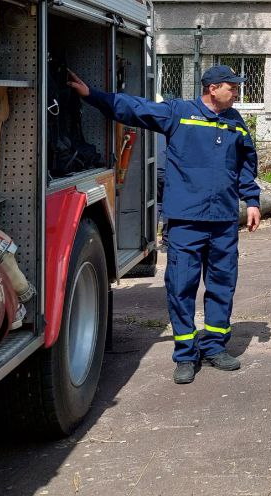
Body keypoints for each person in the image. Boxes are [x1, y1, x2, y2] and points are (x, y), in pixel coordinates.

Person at [70, 65, 260, 385]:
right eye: (232, 85)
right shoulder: (180, 113)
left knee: (222, 285)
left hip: (224, 221)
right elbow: (134, 108)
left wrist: (252, 200)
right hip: (187, 220)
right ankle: (186, 355)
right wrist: (92, 96)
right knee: (181, 286)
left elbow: (246, 163)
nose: (237, 90)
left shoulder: (235, 122)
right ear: (212, 88)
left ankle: (214, 347)